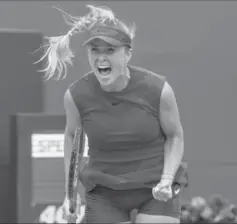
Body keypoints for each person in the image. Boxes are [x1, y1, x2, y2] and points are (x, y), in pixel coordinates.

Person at [39, 5, 188, 224]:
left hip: (156, 187)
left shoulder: (157, 89)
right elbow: (72, 137)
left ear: (127, 54)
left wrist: (166, 179)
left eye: (110, 50)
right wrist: (70, 193)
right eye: (95, 50)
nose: (101, 57)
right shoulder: (76, 95)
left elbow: (175, 136)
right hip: (105, 192)